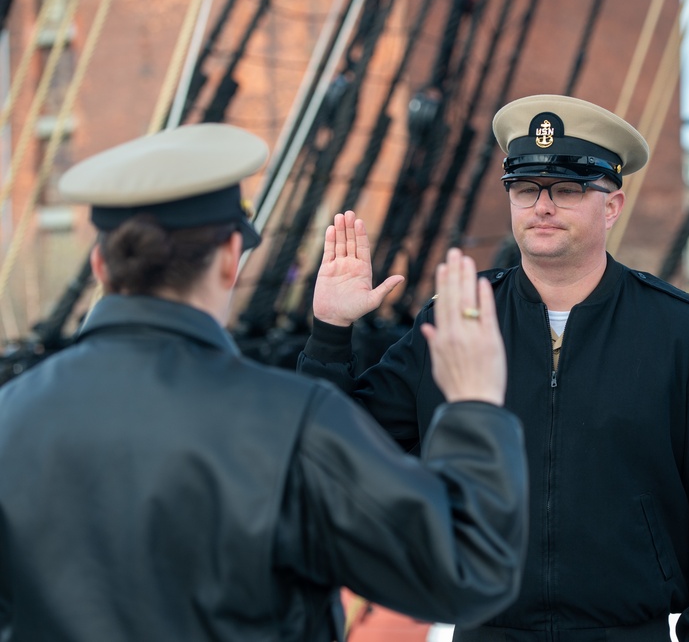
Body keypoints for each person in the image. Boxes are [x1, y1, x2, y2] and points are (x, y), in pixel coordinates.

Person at [0, 123, 529, 642]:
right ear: (231, 258)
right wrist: (475, 406)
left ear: (99, 263)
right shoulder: (290, 422)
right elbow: (468, 572)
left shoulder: (11, 415)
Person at [298, 94, 689, 640]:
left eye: (567, 190)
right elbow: (333, 456)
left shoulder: (682, 333)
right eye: (526, 189)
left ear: (611, 205)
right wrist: (331, 331)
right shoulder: (457, 319)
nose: (542, 206)